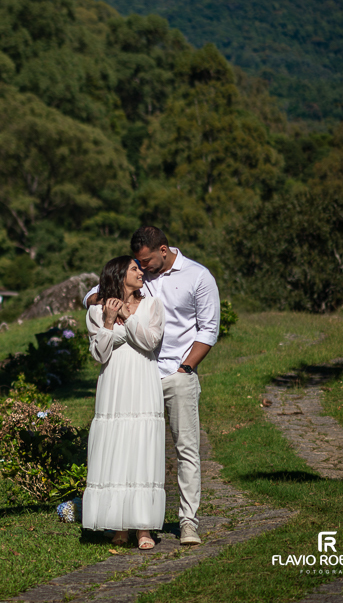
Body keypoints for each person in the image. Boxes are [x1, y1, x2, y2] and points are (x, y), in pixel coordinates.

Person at [84, 225, 219, 547]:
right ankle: (127, 520)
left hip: (175, 374)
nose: (142, 267)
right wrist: (110, 303)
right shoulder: (137, 275)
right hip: (133, 377)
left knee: (186, 450)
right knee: (132, 446)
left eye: (146, 261)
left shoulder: (198, 277)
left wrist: (186, 367)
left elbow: (209, 328)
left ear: (164, 249)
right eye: (137, 263)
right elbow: (92, 294)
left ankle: (188, 522)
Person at [82, 255, 165, 550]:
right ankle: (118, 525)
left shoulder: (153, 305)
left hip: (143, 381)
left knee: (142, 448)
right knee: (115, 447)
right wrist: (107, 321)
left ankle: (144, 528)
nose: (140, 272)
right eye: (134, 269)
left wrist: (127, 319)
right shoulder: (95, 311)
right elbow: (99, 354)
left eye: (139, 268)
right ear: (119, 275)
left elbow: (151, 341)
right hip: (114, 384)